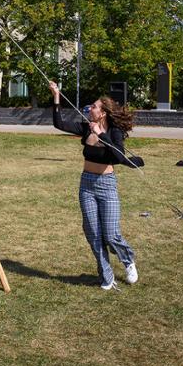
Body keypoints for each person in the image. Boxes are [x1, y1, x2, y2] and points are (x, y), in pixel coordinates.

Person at [48, 81, 143, 290]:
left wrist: (100, 134)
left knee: (111, 234)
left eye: (94, 106)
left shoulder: (114, 131)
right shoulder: (85, 128)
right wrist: (56, 95)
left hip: (107, 185)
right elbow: (58, 123)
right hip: (87, 185)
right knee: (92, 232)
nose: (90, 109)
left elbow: (117, 157)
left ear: (103, 113)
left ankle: (128, 260)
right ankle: (106, 276)